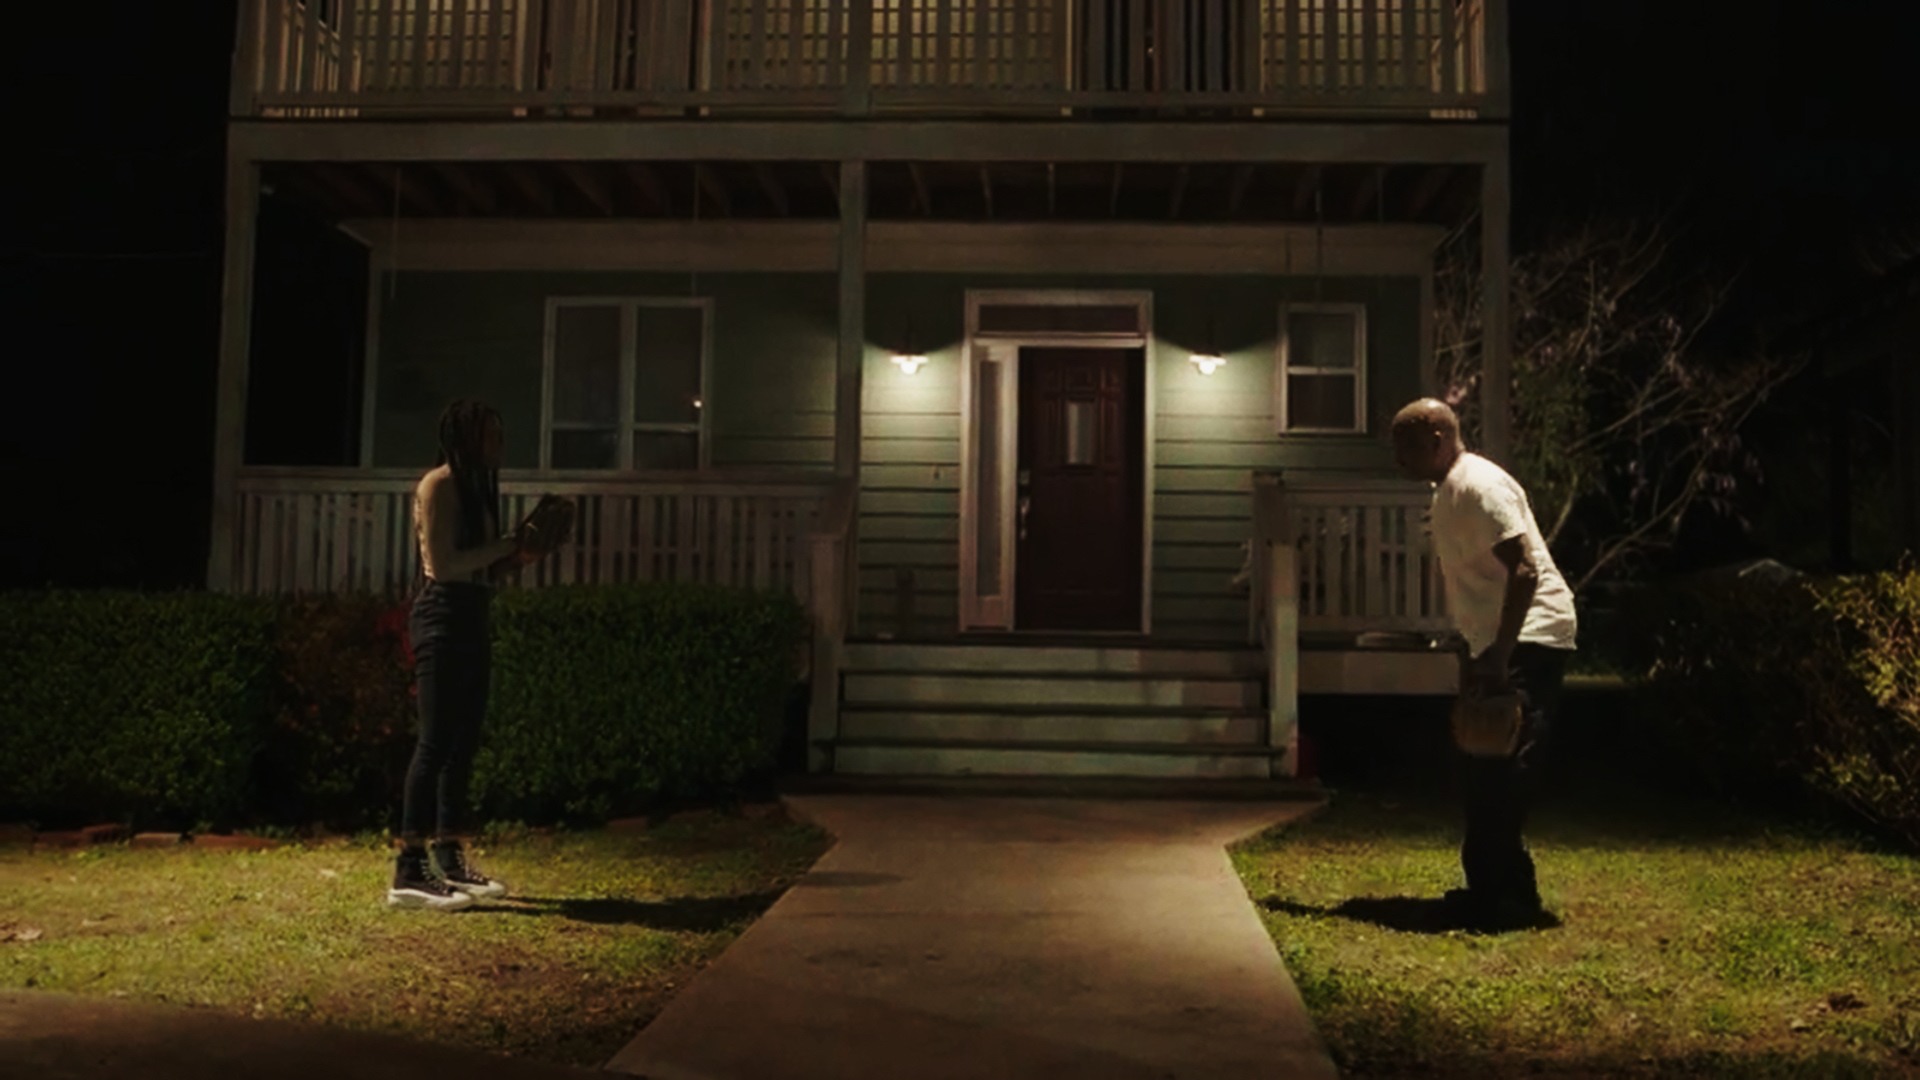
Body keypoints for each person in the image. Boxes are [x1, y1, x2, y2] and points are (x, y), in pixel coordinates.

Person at [1391, 398, 1578, 930]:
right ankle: (1497, 891)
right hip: (1495, 643)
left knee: (1502, 765)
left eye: (1405, 446)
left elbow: (1524, 571)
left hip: (1531, 636)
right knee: (1481, 763)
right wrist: (1472, 648)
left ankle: (1502, 900)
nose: (1398, 459)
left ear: (1436, 439)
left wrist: (1500, 654)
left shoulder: (1479, 485)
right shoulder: (1448, 492)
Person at [387, 399, 543, 911]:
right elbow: (445, 565)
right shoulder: (439, 484)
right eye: (492, 435)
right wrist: (506, 543)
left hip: (473, 614)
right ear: (467, 437)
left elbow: (482, 570)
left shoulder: (478, 489)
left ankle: (449, 858)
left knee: (463, 743)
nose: (500, 444)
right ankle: (408, 871)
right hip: (441, 616)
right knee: (434, 742)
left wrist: (520, 556)